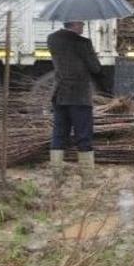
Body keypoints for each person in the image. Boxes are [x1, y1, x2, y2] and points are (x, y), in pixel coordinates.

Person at [47, 21, 103, 184]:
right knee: (83, 136)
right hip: (79, 97)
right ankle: (87, 179)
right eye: (82, 24)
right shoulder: (83, 43)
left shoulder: (52, 39)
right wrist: (92, 53)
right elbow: (96, 68)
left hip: (60, 95)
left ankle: (57, 178)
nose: (83, 26)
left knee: (58, 134)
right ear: (75, 23)